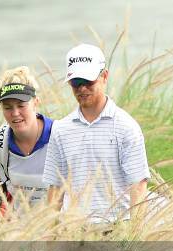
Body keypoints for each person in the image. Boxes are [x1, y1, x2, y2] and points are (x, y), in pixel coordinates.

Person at [42, 44, 150, 223]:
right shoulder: (60, 129)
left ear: (104, 76)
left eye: (88, 81)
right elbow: (55, 187)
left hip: (117, 229)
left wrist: (134, 238)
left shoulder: (126, 127)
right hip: (73, 231)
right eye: (76, 83)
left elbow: (138, 187)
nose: (82, 88)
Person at [0, 66, 54, 212]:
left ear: (36, 102)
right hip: (19, 232)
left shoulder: (60, 137)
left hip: (64, 230)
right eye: (8, 107)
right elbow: (3, 188)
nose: (15, 113)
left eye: (21, 105)